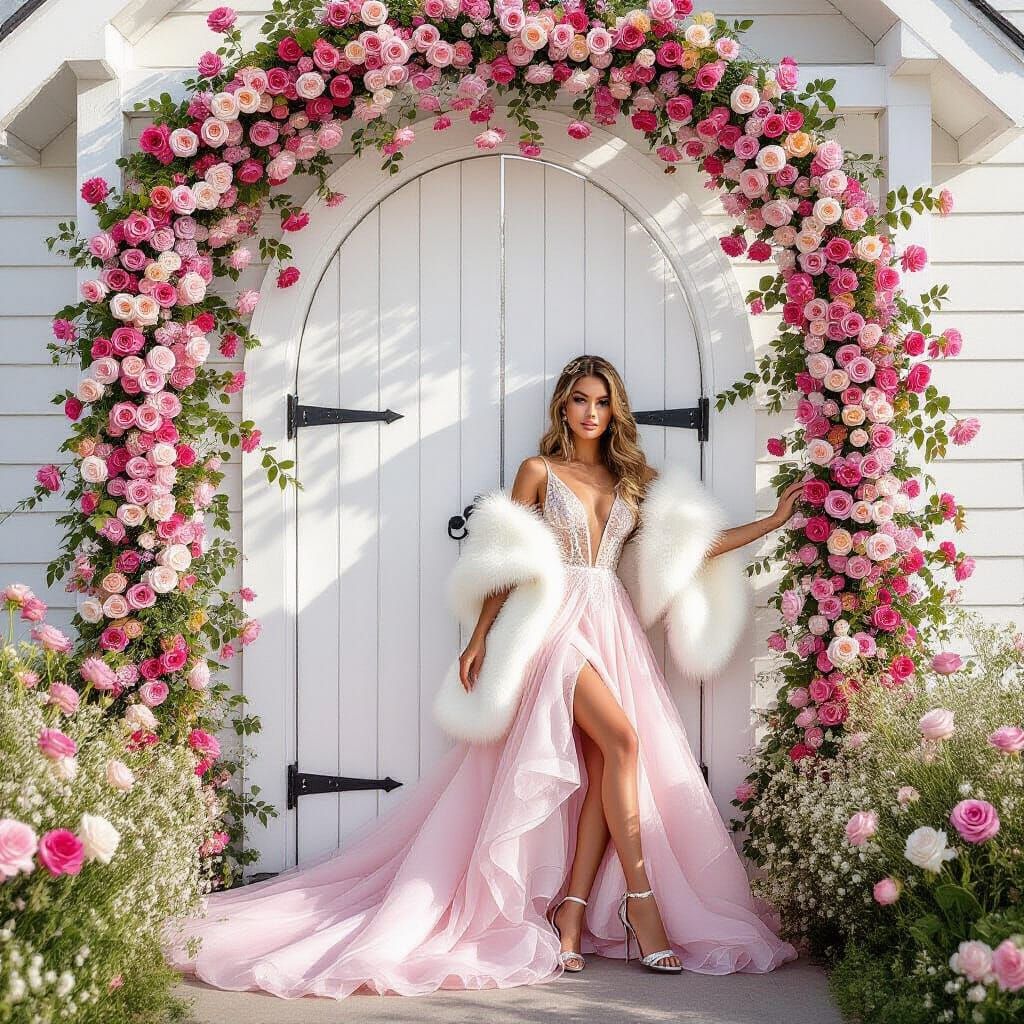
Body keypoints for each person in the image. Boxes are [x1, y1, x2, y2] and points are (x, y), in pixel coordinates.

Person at [164, 354, 802, 998]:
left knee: (609, 763)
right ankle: (643, 906)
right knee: (625, 743)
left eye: (602, 402)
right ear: (562, 405)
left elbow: (685, 551)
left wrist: (773, 522)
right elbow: (502, 558)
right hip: (552, 627)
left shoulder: (631, 479)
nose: (590, 412)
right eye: (580, 399)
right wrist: (479, 639)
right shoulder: (538, 471)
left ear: (615, 412)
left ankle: (573, 911)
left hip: (613, 624)